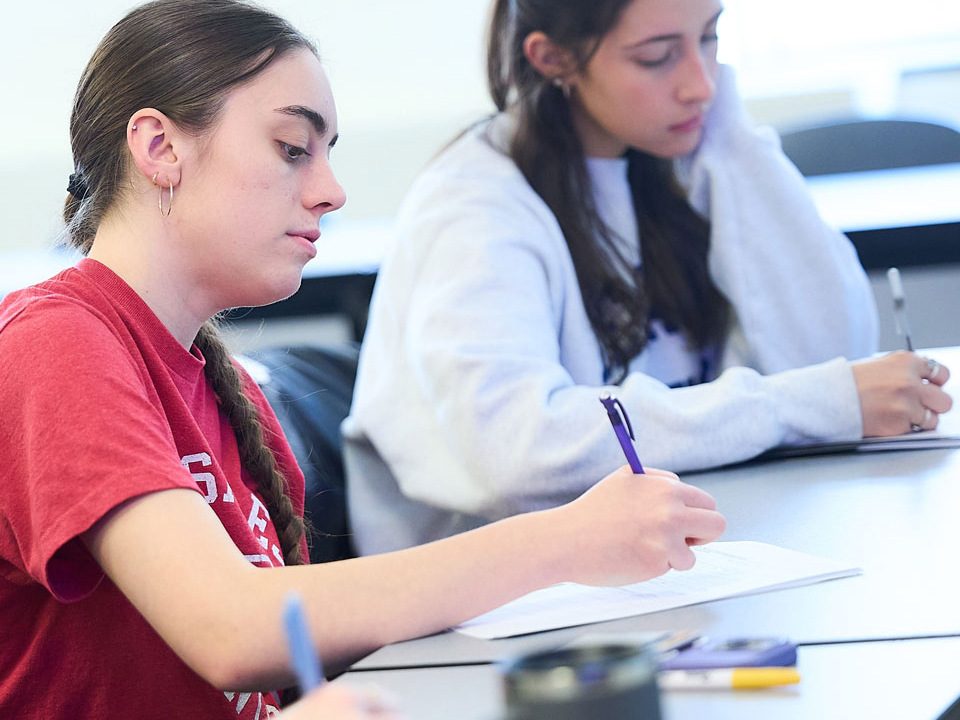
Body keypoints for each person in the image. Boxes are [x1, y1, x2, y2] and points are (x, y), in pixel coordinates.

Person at [0, 1, 726, 717]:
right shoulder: (53, 344)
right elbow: (232, 627)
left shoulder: (223, 392)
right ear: (160, 149)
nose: (331, 192)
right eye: (292, 149)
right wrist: (564, 540)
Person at [342, 0, 953, 556]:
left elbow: (829, 362)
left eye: (712, 37)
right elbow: (523, 454)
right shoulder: (474, 206)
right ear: (553, 58)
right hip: (494, 602)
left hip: (662, 549)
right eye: (657, 57)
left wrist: (732, 140)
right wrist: (801, 404)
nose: (701, 84)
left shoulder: (677, 157)